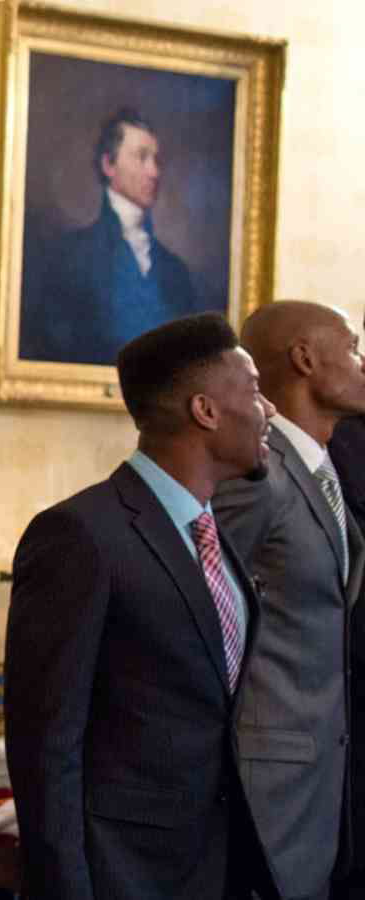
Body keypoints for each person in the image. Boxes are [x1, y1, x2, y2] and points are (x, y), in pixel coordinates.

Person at [6, 312, 278, 899]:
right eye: (255, 392)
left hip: (213, 868)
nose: (270, 412)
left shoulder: (215, 535)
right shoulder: (80, 535)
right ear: (204, 411)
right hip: (121, 875)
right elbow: (44, 747)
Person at [210, 301, 364, 900]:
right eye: (351, 348)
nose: (361, 363)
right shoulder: (257, 475)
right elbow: (201, 614)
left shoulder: (325, 472)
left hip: (326, 786)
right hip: (266, 785)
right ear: (305, 357)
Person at [20, 108, 203, 366]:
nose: (154, 172)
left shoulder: (176, 272)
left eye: (156, 160)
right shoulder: (68, 258)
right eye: (141, 157)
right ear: (109, 164)